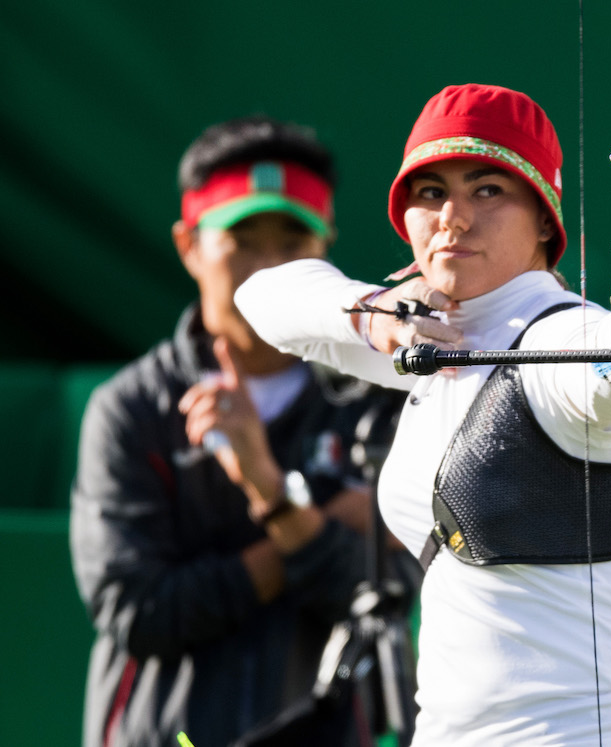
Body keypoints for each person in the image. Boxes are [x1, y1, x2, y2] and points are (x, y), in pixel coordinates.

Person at [234, 84, 611, 745]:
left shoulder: (561, 338)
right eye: (430, 192)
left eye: (488, 190)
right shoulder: (429, 334)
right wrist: (375, 314)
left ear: (543, 220)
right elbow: (262, 295)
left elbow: (605, 370)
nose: (453, 216)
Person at [70, 116, 410, 747]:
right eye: (243, 240)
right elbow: (138, 610)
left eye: (293, 239)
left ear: (327, 242)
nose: (269, 270)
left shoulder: (379, 399)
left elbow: (388, 597)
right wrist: (307, 520)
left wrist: (272, 495)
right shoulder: (130, 409)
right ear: (188, 245)